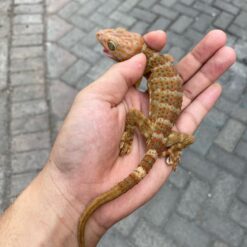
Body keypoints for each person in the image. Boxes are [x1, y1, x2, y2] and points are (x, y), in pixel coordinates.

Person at [0, 30, 236, 247]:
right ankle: (173, 150)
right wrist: (172, 149)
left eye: (111, 44)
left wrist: (127, 137)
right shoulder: (155, 61)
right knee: (183, 138)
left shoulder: (146, 66)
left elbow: (134, 110)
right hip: (166, 137)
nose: (101, 37)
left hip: (155, 132)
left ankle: (155, 146)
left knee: (133, 115)